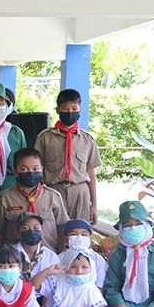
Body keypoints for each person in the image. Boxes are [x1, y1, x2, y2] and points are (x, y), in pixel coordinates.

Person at [34, 89, 101, 224]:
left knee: (79, 232)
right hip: (53, 189)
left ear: (80, 110)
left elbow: (91, 173)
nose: (70, 112)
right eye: (65, 108)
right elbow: (36, 169)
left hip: (80, 192)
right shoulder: (45, 137)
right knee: (52, 230)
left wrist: (94, 205)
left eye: (74, 108)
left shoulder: (87, 139)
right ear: (58, 110)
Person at [103, 201, 154, 307]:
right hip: (125, 305)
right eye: (127, 225)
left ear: (146, 224)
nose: (133, 228)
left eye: (138, 223)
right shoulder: (119, 254)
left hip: (150, 305)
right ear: (121, 228)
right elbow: (111, 287)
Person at [0, 147, 69, 251]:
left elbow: (62, 228)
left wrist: (60, 254)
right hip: (15, 258)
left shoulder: (53, 196)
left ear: (42, 170)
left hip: (48, 255)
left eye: (35, 169)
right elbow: (0, 230)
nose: (30, 173)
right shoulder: (5, 198)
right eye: (24, 169)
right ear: (15, 172)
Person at [60, 219, 107, 288]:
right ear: (67, 239)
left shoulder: (98, 259)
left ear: (90, 238)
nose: (79, 237)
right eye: (73, 234)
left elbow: (100, 285)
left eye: (84, 234)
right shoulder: (60, 257)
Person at [14, 212, 60, 282]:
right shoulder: (9, 255)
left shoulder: (51, 257)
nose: (31, 231)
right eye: (25, 228)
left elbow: (55, 285)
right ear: (17, 233)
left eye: (36, 228)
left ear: (42, 231)